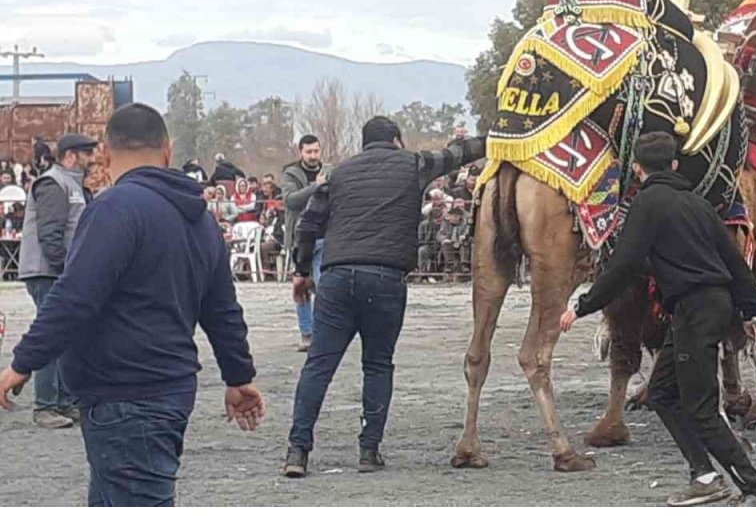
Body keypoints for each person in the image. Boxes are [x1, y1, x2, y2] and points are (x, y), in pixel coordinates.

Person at [0, 104, 264, 507]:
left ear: (106, 153)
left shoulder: (115, 209)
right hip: (169, 389)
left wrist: (21, 364)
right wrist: (239, 376)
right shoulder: (200, 219)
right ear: (167, 150)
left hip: (124, 394)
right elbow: (223, 311)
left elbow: (73, 297)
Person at [560, 132, 756, 507]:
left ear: (637, 169)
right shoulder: (700, 205)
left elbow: (624, 265)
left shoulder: (646, 203)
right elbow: (733, 260)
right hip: (707, 307)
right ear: (674, 165)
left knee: (701, 409)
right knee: (661, 393)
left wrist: (582, 306)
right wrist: (753, 309)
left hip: (694, 311)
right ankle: (704, 477)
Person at [283, 117, 485, 479]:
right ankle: (368, 450)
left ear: (363, 144)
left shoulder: (339, 173)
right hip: (386, 277)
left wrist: (301, 271)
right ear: (396, 141)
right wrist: (500, 137)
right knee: (377, 365)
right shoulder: (412, 163)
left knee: (318, 365)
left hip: (337, 276)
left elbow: (308, 223)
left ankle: (297, 452)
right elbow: (457, 154)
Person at [15, 133, 98, 429]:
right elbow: (50, 235)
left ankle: (63, 402)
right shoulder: (53, 183)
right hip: (48, 272)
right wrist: (67, 270)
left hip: (59, 271)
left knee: (68, 336)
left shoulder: (73, 185)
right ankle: (46, 405)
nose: (93, 159)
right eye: (87, 153)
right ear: (71, 155)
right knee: (52, 334)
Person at [283, 134, 328, 352]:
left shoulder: (329, 171)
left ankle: (324, 332)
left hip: (324, 237)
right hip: (300, 239)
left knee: (323, 283)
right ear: (301, 152)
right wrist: (315, 187)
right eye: (309, 151)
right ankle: (307, 333)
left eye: (316, 151)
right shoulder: (290, 174)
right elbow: (291, 201)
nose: (313, 155)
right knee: (301, 287)